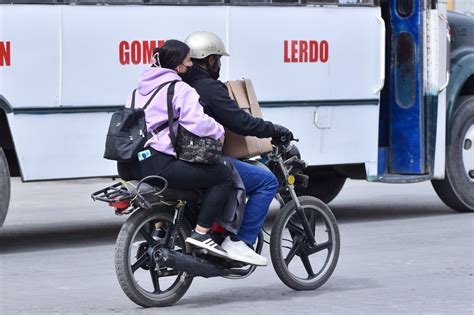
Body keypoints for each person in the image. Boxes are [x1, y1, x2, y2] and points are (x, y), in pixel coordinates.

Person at [182, 31, 294, 266]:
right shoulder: (210, 88)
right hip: (203, 158)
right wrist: (275, 129)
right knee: (267, 181)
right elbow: (240, 123)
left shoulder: (179, 84)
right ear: (210, 59)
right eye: (219, 59)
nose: (220, 65)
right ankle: (239, 241)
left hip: (177, 160)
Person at [119, 39, 232, 258]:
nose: (190, 64)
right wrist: (218, 130)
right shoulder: (179, 88)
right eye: (188, 59)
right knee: (222, 175)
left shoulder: (135, 91)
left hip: (129, 165)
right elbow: (196, 123)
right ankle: (201, 233)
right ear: (177, 64)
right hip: (157, 164)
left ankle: (162, 228)